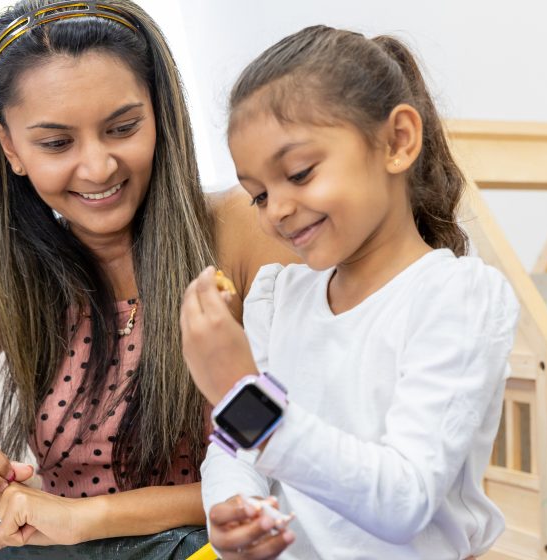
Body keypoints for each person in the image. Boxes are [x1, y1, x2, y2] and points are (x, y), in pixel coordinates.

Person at [0, 0, 292, 552]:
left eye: (123, 128)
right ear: (10, 147)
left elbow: (296, 466)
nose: (98, 166)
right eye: (57, 143)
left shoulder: (247, 232)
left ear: (160, 114)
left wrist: (87, 516)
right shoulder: (6, 278)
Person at [180, 25, 520, 559]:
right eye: (259, 195)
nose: (277, 210)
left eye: (299, 173)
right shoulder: (277, 297)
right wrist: (233, 508)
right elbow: (234, 449)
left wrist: (238, 390)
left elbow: (404, 500)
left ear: (398, 141)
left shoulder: (457, 297)